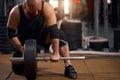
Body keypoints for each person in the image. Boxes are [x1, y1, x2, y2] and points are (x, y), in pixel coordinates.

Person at [7, 0, 77, 79]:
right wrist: (23, 50)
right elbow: (11, 33)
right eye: (32, 12)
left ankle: (68, 65)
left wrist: (56, 52)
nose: (36, 13)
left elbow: (53, 30)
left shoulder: (47, 7)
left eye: (38, 10)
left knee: (59, 34)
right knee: (17, 69)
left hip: (43, 36)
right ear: (25, 6)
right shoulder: (16, 12)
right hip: (24, 40)